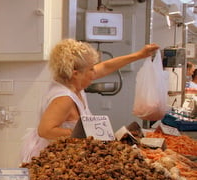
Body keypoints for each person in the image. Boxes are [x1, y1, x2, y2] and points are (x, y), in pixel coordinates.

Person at [20, 39, 159, 164]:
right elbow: (45, 131)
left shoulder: (74, 83)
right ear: (76, 73)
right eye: (91, 69)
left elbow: (105, 67)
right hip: (52, 158)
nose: (94, 73)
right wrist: (86, 134)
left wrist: (140, 55)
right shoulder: (64, 98)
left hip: (69, 153)